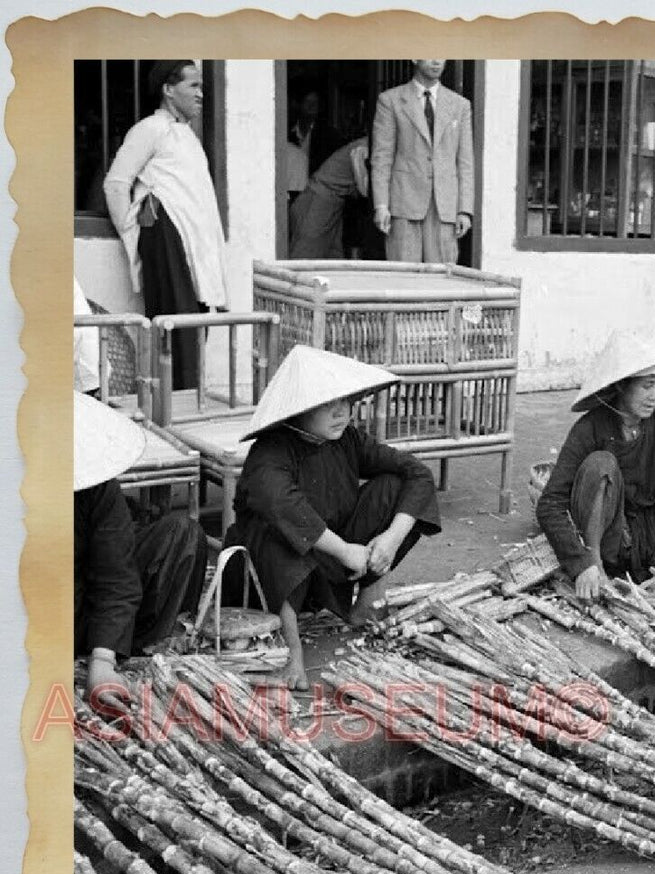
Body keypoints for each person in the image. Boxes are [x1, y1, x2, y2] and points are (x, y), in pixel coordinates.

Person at [222, 347, 441, 689]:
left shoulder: (348, 438)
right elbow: (285, 507)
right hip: (272, 574)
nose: (341, 412)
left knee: (394, 486)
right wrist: (343, 550)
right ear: (299, 409)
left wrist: (392, 538)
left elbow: (418, 474)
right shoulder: (270, 452)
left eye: (345, 401)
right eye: (328, 404)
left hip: (333, 563)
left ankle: (365, 607)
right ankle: (291, 648)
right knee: (275, 530)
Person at [536, 332, 655, 600]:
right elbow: (550, 504)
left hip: (654, 535)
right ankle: (597, 569)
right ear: (622, 386)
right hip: (611, 536)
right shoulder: (590, 428)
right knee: (600, 463)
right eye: (647, 386)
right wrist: (580, 563)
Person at [74, 392, 207, 711]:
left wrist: (103, 661)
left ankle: (137, 654)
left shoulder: (94, 483)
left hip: (81, 610)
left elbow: (115, 576)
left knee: (183, 532)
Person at [103, 59, 227, 391]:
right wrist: (131, 231)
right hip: (166, 235)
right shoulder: (150, 129)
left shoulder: (186, 136)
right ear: (168, 91)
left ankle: (186, 404)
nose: (201, 94)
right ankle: (177, 411)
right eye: (193, 86)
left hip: (190, 245)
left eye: (202, 86)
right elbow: (116, 184)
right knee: (176, 328)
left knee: (194, 324)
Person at [371, 59, 475, 264]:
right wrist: (381, 205)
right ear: (414, 56)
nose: (437, 61)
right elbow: (382, 158)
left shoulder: (460, 105)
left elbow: (465, 162)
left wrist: (464, 210)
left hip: (444, 206)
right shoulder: (390, 100)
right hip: (404, 203)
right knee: (404, 278)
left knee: (441, 280)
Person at [289, 136, 371, 259]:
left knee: (332, 257)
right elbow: (364, 189)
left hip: (334, 202)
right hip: (317, 200)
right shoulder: (362, 147)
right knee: (304, 256)